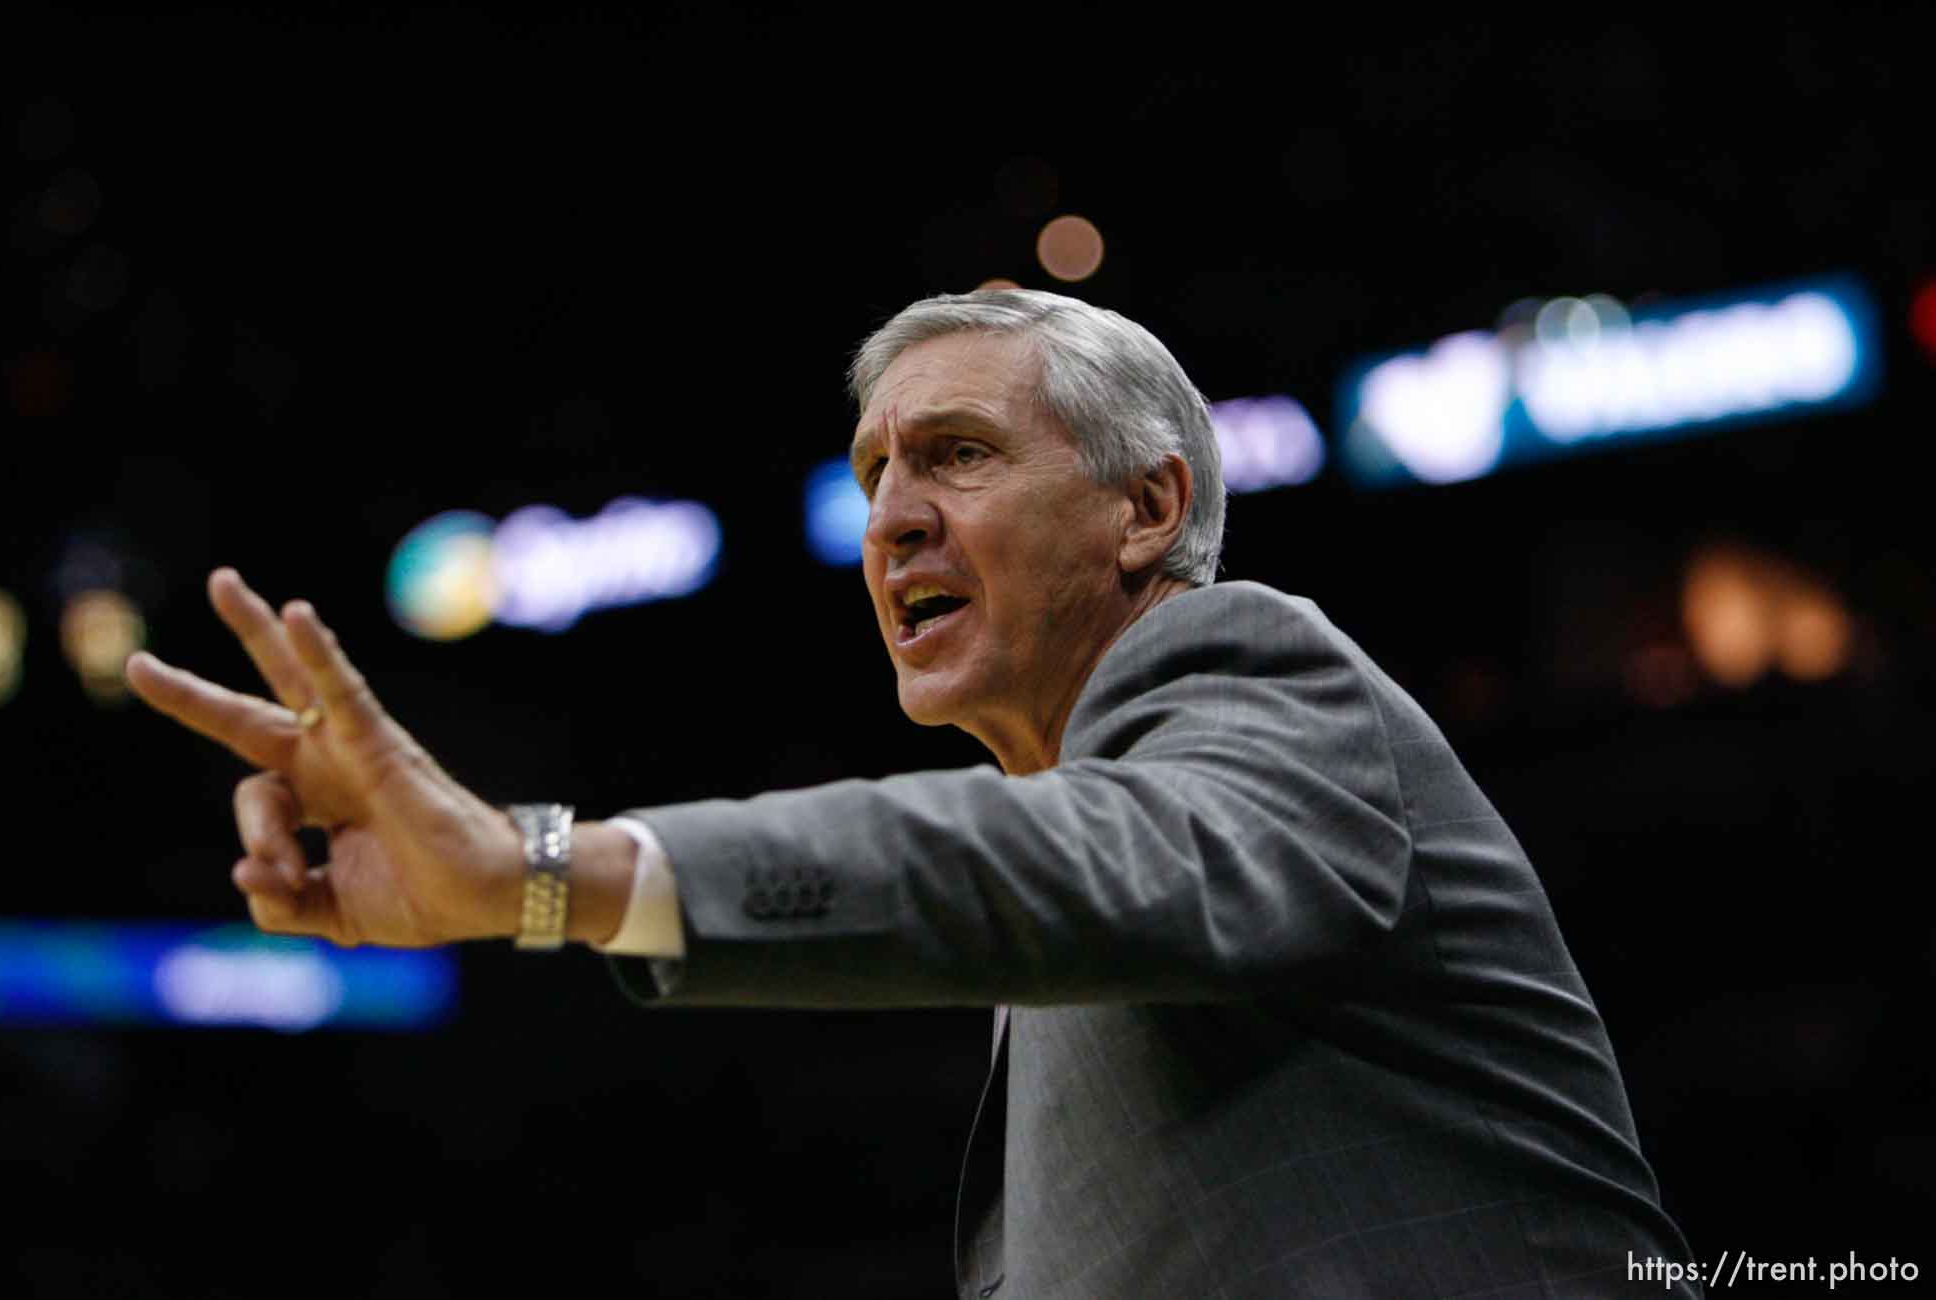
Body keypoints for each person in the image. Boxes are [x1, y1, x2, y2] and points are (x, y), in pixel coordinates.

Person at [128, 289, 1696, 1298]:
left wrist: (545, 870)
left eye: (952, 458)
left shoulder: (1253, 671)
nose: (890, 524)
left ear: (1146, 509)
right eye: (876, 479)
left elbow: (1052, 866)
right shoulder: (1070, 831)